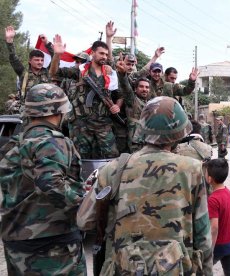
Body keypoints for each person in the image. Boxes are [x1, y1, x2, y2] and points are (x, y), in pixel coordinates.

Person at [77, 96, 213, 275]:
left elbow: (84, 220)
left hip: (123, 268)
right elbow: (203, 237)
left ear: (142, 129)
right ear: (180, 132)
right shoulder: (192, 169)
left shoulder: (112, 169)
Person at [0, 83, 86, 275]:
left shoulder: (15, 143)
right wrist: (87, 205)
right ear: (58, 111)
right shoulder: (53, 141)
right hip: (51, 244)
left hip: (16, 239)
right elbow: (50, 183)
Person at [50, 35, 121, 159]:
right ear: (92, 53)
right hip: (81, 124)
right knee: (80, 158)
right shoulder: (81, 71)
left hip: (103, 123)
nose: (104, 56)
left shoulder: (110, 73)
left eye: (106, 54)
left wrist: (117, 106)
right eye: (101, 53)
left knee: (112, 156)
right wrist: (57, 55)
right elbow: (54, 72)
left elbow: (120, 94)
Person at [205, 159, 230, 276]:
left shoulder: (213, 199)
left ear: (209, 179)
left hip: (219, 245)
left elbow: (214, 228)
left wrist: (210, 250)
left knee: (203, 270)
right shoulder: (227, 192)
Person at [5, 26, 52, 101]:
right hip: (28, 109)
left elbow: (55, 60)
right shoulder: (23, 72)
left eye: (42, 60)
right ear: (30, 61)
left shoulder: (47, 72)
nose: (40, 62)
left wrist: (47, 44)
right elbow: (13, 57)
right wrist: (10, 42)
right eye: (37, 60)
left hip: (45, 109)